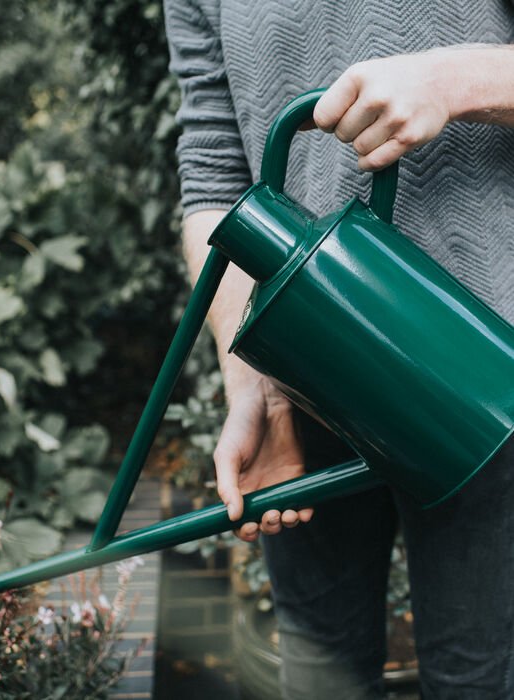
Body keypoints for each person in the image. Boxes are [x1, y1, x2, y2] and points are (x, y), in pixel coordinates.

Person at [163, 2, 514, 698]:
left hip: (487, 374)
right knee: (321, 677)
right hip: (308, 376)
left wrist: (457, 79)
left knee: (482, 679)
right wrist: (254, 387)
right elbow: (212, 173)